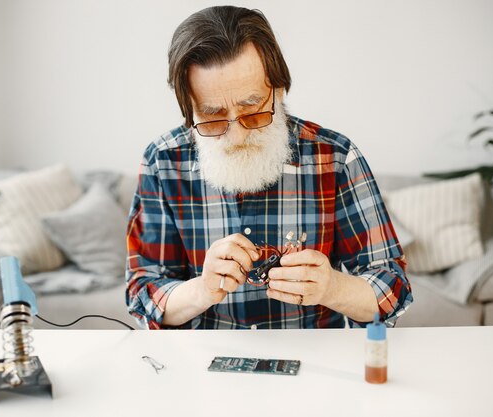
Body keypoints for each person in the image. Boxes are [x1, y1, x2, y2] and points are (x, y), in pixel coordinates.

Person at [126, 5, 412, 329]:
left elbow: (393, 288)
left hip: (314, 364)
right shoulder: (162, 163)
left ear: (279, 88)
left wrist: (332, 287)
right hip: (202, 367)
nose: (237, 135)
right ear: (189, 110)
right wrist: (201, 290)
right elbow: (141, 292)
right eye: (213, 116)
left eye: (252, 109)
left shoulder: (335, 157)